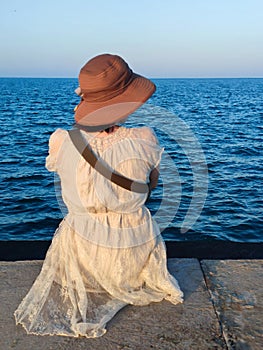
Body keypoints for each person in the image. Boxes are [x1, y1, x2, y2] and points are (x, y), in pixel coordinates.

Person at [14, 54, 183, 338]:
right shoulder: (145, 138)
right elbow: (150, 186)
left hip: (80, 258)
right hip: (131, 253)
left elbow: (76, 183)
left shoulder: (61, 141)